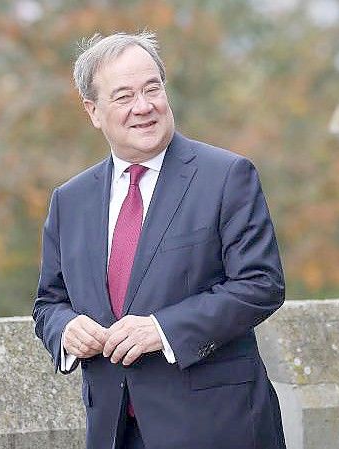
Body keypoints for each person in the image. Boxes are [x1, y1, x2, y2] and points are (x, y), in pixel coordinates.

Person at [33, 31, 286, 449]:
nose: (144, 106)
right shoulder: (69, 200)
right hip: (114, 431)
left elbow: (261, 284)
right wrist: (66, 330)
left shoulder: (227, 176)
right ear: (93, 111)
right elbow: (48, 303)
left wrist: (162, 330)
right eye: (124, 96)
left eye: (152, 89)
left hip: (218, 427)